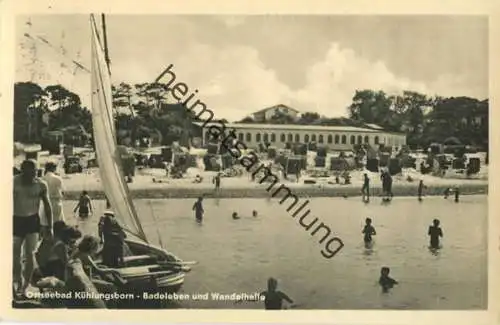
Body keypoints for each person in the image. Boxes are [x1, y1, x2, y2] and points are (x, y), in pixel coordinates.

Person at [13, 159, 53, 295]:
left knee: (30, 255)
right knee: (15, 255)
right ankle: (17, 281)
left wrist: (50, 226)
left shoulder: (41, 184)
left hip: (32, 221)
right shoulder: (14, 182)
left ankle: (24, 286)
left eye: (35, 171)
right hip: (16, 220)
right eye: (30, 172)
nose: (33, 175)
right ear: (23, 171)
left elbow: (48, 206)